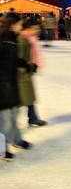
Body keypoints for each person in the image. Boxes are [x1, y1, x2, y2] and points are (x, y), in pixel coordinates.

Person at [0, 13, 36, 161]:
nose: (21, 28)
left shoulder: (12, 42)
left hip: (11, 82)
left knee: (14, 114)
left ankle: (16, 140)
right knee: (5, 119)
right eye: (19, 25)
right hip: (2, 85)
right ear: (11, 25)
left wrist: (26, 65)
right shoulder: (2, 43)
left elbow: (13, 60)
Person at [19, 18, 47, 127]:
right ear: (27, 29)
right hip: (22, 72)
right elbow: (21, 57)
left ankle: (33, 118)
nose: (37, 31)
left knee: (28, 96)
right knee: (21, 98)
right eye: (35, 29)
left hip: (28, 70)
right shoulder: (24, 39)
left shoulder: (31, 38)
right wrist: (28, 67)